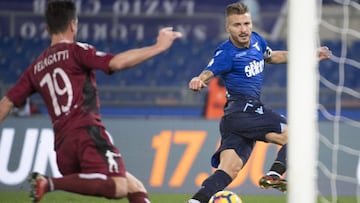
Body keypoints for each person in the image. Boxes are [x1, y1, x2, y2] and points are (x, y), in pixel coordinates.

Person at [0, 1, 182, 203]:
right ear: (73, 24)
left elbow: (6, 103)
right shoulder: (77, 51)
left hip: (62, 148)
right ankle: (49, 183)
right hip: (86, 134)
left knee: (134, 186)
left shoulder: (35, 68)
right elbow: (117, 62)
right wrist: (158, 46)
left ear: (47, 28)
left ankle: (52, 182)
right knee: (119, 186)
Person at [187, 2, 332, 203]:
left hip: (234, 119)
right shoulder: (226, 53)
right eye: (237, 25)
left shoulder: (257, 41)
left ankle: (195, 201)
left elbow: (273, 57)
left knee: (229, 169)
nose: (243, 29)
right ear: (227, 28)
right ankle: (275, 174)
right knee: (299, 136)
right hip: (244, 109)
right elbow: (208, 71)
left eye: (246, 23)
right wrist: (199, 79)